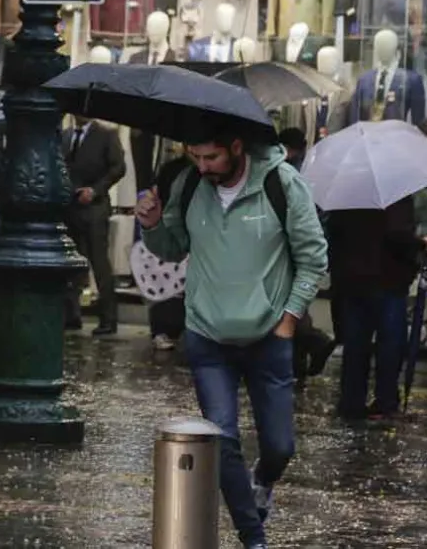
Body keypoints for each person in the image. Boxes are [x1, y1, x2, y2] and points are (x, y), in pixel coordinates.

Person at [135, 129, 327, 549]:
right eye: (195, 157)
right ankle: (253, 538)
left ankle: (263, 479)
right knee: (220, 441)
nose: (202, 167)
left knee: (279, 447)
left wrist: (289, 321)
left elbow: (314, 259)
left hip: (268, 337)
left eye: (211, 158)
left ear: (237, 147)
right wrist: (150, 226)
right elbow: (173, 247)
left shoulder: (282, 184)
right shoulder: (189, 185)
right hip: (208, 337)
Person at [326, 196, 427, 418]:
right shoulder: (393, 193)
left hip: (352, 278)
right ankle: (386, 402)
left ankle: (351, 401)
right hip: (387, 278)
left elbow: (334, 235)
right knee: (390, 343)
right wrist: (423, 244)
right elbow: (397, 236)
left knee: (356, 344)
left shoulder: (346, 194)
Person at [63, 116, 127, 336]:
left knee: (99, 263)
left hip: (95, 208)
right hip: (69, 207)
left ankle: (108, 319)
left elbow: (118, 167)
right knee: (71, 264)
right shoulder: (65, 136)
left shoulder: (106, 134)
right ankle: (71, 315)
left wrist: (95, 190)